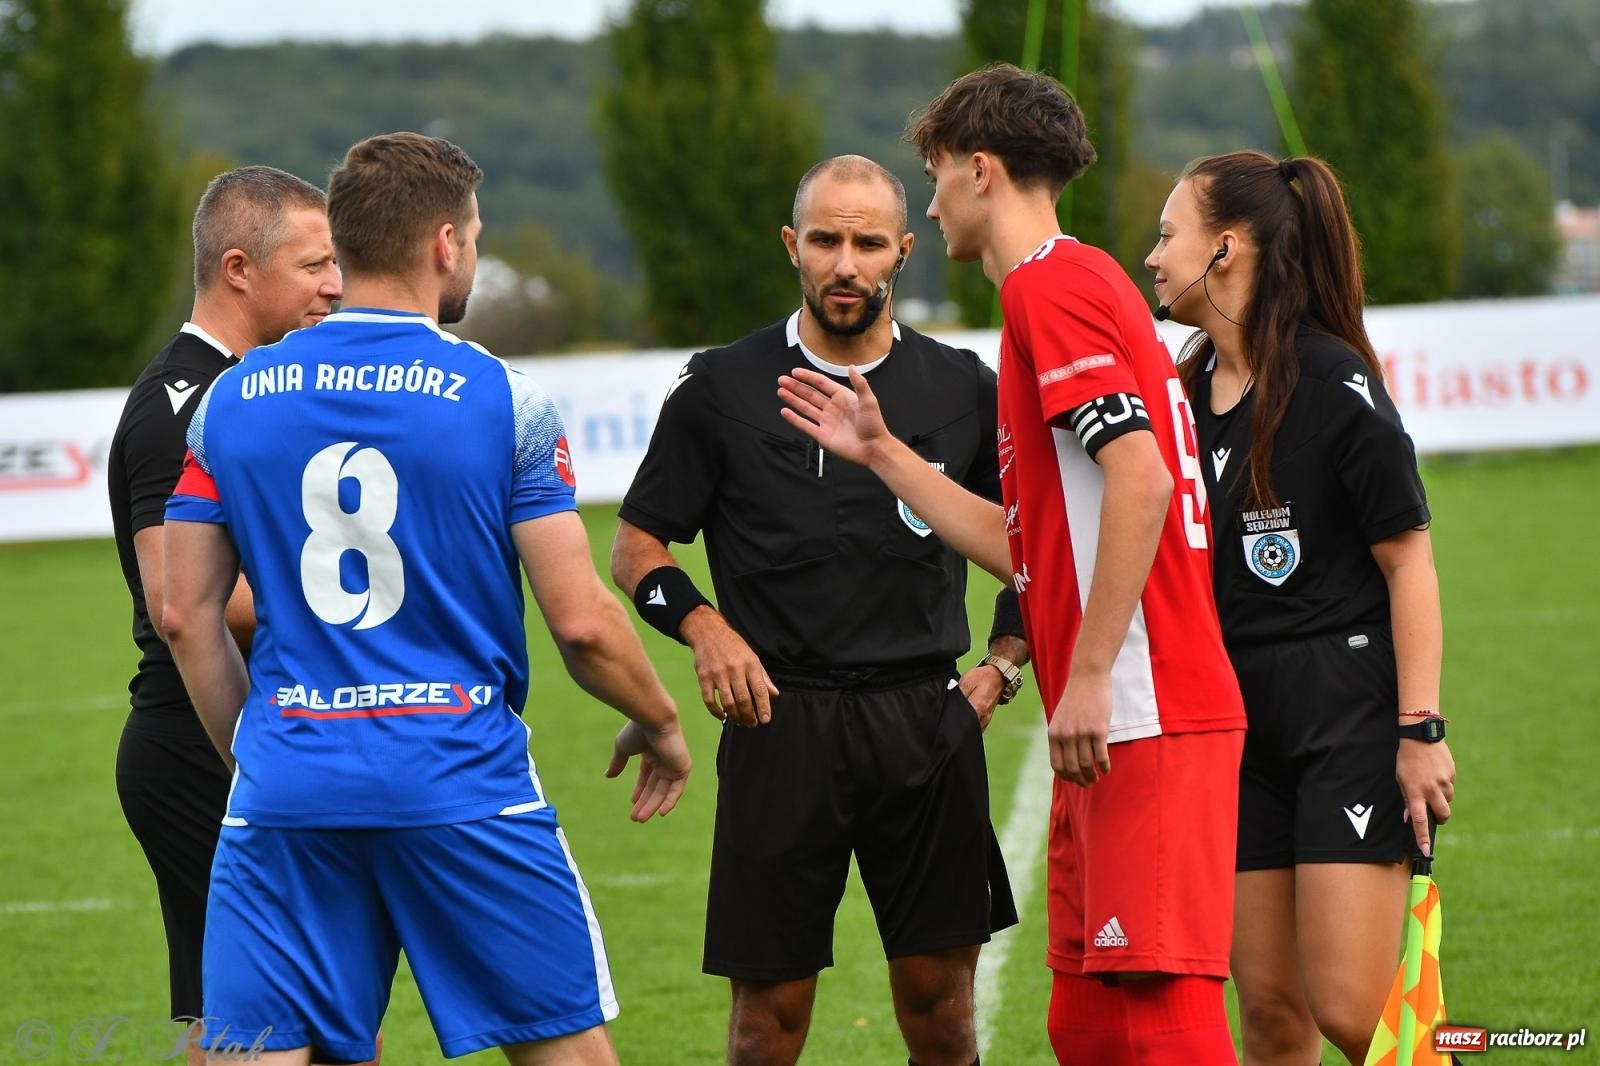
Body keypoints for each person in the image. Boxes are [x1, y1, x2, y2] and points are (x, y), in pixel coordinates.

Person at [160, 132, 692, 1066]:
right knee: (564, 1051)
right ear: (446, 244)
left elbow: (184, 613)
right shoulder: (502, 400)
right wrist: (658, 718)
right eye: (476, 237)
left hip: (288, 786)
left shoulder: (230, 401)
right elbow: (581, 623)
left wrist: (260, 749)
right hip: (459, 777)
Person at [777, 67, 1247, 1065]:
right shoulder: (1071, 285)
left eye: (938, 175)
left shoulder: (1051, 287)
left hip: (1139, 708)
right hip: (1114, 715)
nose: (933, 199)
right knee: (1082, 1021)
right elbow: (1031, 549)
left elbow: (1141, 481)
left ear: (980, 171)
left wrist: (1082, 676)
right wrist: (885, 454)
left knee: (1162, 1022)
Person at [611, 154, 1024, 1066]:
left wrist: (999, 663)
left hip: (928, 721)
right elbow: (636, 546)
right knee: (768, 1020)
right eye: (827, 240)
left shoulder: (962, 389)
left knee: (942, 1011)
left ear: (903, 252)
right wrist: (705, 627)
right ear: (794, 246)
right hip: (779, 723)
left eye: (869, 242)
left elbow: (1035, 551)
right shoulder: (721, 387)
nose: (847, 263)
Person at [1143, 150, 1456, 1066]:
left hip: (1342, 711)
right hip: (1233, 724)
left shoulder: (1334, 385)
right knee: (1272, 1020)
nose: (1153, 256)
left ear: (1227, 248)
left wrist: (1420, 730)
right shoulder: (1182, 394)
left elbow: (1411, 565)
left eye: (1169, 234)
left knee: (1358, 1014)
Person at [107, 165, 344, 1065]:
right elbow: (187, 602)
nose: (335, 285)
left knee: (287, 1020)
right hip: (197, 742)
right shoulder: (186, 401)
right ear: (239, 268)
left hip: (245, 734)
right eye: (315, 265)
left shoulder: (252, 390)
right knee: (268, 1026)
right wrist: (363, 618)